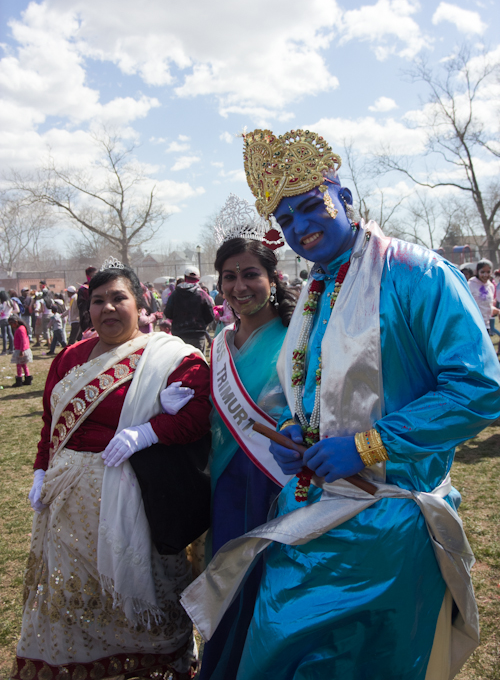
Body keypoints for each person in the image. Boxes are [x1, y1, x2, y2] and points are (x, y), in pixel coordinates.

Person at [182, 128, 500, 680]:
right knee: (274, 655)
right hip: (307, 511)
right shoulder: (316, 288)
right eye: (287, 221)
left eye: (311, 208)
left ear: (345, 199)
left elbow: (479, 388)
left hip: (387, 523)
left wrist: (367, 446)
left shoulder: (417, 274)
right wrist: (292, 429)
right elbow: (309, 389)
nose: (302, 229)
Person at [11, 259, 212, 680]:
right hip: (65, 505)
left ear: (140, 304)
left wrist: (152, 430)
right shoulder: (69, 358)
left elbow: (200, 415)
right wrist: (40, 471)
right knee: (68, 598)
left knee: (138, 605)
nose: (107, 308)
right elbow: (52, 424)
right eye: (98, 300)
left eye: (118, 297)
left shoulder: (171, 357)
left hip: (137, 503)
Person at [199, 196, 295, 680]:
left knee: (268, 587)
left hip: (277, 486)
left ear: (272, 278)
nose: (240, 286)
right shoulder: (217, 344)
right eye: (230, 277)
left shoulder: (299, 337)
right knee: (227, 581)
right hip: (224, 485)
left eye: (251, 274)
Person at [164, 266, 214, 351]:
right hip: (197, 335)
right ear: (198, 279)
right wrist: (200, 324)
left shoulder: (175, 294)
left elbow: (168, 313)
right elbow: (210, 316)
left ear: (185, 277)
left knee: (181, 362)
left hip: (179, 335)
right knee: (198, 362)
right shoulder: (202, 295)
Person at [468, 258, 498, 334]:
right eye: (482, 272)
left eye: (488, 272)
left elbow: (487, 305)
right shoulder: (470, 285)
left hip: (486, 326)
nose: (485, 275)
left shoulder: (490, 286)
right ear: (477, 272)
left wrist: (497, 311)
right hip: (473, 325)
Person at [8, 314, 33, 386]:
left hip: (21, 350)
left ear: (16, 322)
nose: (11, 326)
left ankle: (19, 379)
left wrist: (22, 351)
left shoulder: (20, 329)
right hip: (21, 349)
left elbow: (23, 340)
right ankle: (27, 378)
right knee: (23, 365)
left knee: (19, 365)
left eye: (11, 324)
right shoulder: (21, 328)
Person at [77, 264, 97, 332]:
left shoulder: (99, 287)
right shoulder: (84, 289)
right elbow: (82, 307)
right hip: (88, 319)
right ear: (88, 276)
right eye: (93, 275)